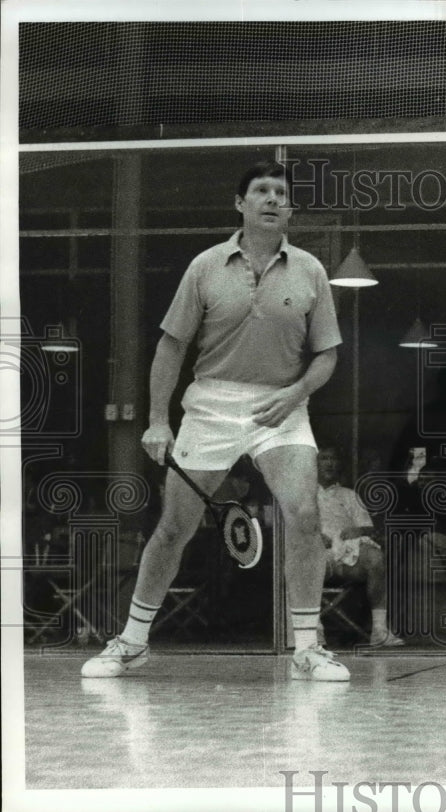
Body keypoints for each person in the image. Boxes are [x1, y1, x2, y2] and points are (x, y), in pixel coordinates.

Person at [83, 161, 349, 681]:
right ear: (241, 204)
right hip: (209, 406)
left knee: (305, 515)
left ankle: (308, 649)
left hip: (282, 407)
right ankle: (133, 642)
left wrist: (294, 393)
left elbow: (327, 357)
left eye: (281, 194)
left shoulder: (312, 271)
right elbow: (171, 345)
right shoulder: (204, 266)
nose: (273, 199)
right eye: (261, 191)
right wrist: (159, 419)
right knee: (173, 529)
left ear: (290, 209)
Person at [314, 446, 403, 648]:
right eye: (324, 458)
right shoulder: (305, 494)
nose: (329, 463)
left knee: (376, 558)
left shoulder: (349, 495)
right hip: (317, 555)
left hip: (346, 555)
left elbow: (368, 529)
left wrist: (359, 531)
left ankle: (379, 630)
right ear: (315, 464)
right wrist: (313, 536)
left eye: (333, 458)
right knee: (304, 555)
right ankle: (313, 633)